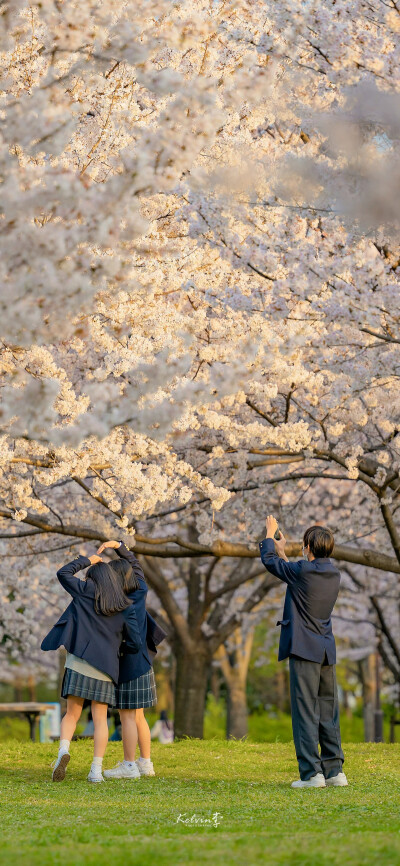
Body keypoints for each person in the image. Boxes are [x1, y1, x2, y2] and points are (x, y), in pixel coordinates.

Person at [259, 516, 347, 789]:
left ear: (308, 546)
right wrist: (283, 551)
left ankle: (311, 774)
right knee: (327, 710)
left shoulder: (301, 572)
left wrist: (269, 537)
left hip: (304, 650)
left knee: (305, 711)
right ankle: (334, 772)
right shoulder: (333, 574)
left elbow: (270, 563)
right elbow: (294, 573)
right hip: (325, 651)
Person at [41, 553, 142, 783]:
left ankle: (63, 753)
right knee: (100, 719)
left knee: (72, 714)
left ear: (93, 578)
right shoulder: (125, 606)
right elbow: (135, 643)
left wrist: (88, 559)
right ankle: (96, 770)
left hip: (79, 663)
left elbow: (63, 573)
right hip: (106, 668)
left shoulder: (84, 591)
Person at [96, 540, 167, 780]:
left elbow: (132, 640)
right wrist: (120, 546)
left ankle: (128, 766)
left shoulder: (119, 604)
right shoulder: (140, 591)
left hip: (130, 663)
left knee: (126, 715)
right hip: (145, 662)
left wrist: (120, 648)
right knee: (138, 716)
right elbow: (136, 566)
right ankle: (145, 763)